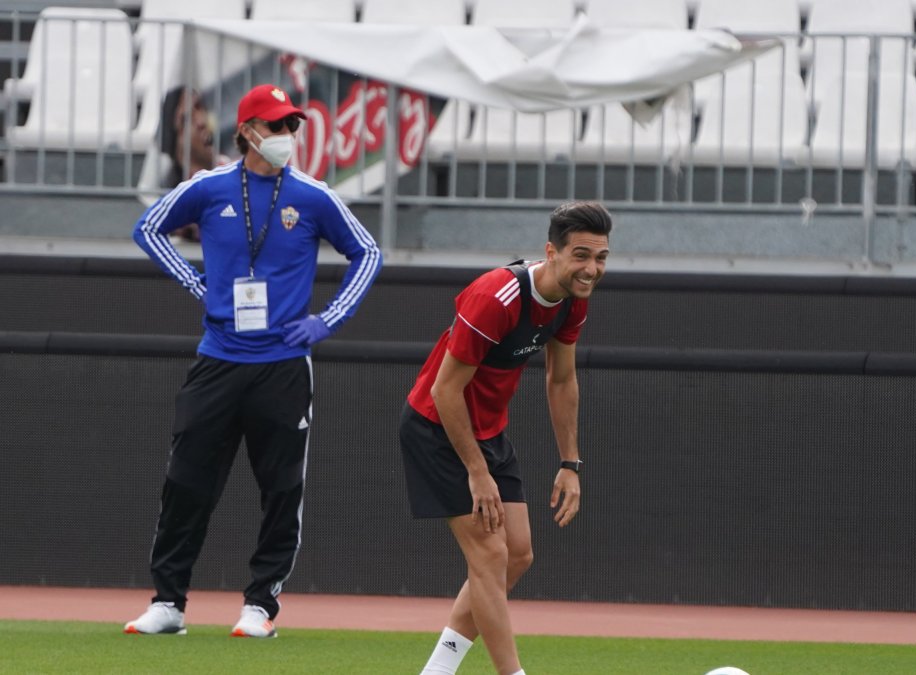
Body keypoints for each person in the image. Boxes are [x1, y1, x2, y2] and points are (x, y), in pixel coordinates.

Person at [124, 84, 383, 638]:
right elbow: (148, 228)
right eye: (275, 126)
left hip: (285, 363)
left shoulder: (314, 196)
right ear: (246, 132)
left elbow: (368, 252)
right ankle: (168, 603)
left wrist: (327, 320)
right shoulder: (210, 187)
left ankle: (260, 605)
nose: (286, 137)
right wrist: (196, 283)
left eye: (292, 126)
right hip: (218, 357)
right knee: (186, 481)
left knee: (281, 487)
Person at [400, 201, 612, 675]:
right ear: (551, 252)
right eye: (581, 255)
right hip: (437, 427)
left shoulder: (574, 301)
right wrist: (478, 474)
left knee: (518, 554)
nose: (591, 269)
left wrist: (570, 463)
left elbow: (561, 381)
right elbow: (445, 389)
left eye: (600, 257)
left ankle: (436, 670)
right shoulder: (497, 296)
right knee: (491, 555)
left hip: (488, 431)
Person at [158, 87, 225, 243]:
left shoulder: (237, 172)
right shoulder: (167, 195)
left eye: (201, 108)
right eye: (188, 117)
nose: (202, 122)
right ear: (175, 134)